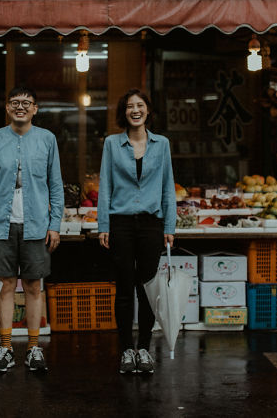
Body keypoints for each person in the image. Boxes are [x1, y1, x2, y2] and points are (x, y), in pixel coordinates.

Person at [0, 86, 64, 372]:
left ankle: (34, 348)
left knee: (35, 286)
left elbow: (55, 185)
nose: (21, 107)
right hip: (1, 223)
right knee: (5, 286)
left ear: (35, 108)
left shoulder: (47, 139)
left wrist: (55, 224)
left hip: (37, 224)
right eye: (15, 102)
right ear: (7, 108)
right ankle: (7, 347)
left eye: (27, 103)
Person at [97, 89, 176, 375]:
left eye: (140, 105)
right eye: (129, 106)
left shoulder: (162, 144)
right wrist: (103, 225)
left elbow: (168, 186)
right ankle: (125, 350)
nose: (135, 110)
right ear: (124, 112)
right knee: (124, 288)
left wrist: (170, 226)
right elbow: (105, 185)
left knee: (147, 289)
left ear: (147, 110)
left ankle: (143, 348)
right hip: (120, 222)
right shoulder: (112, 144)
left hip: (152, 223)